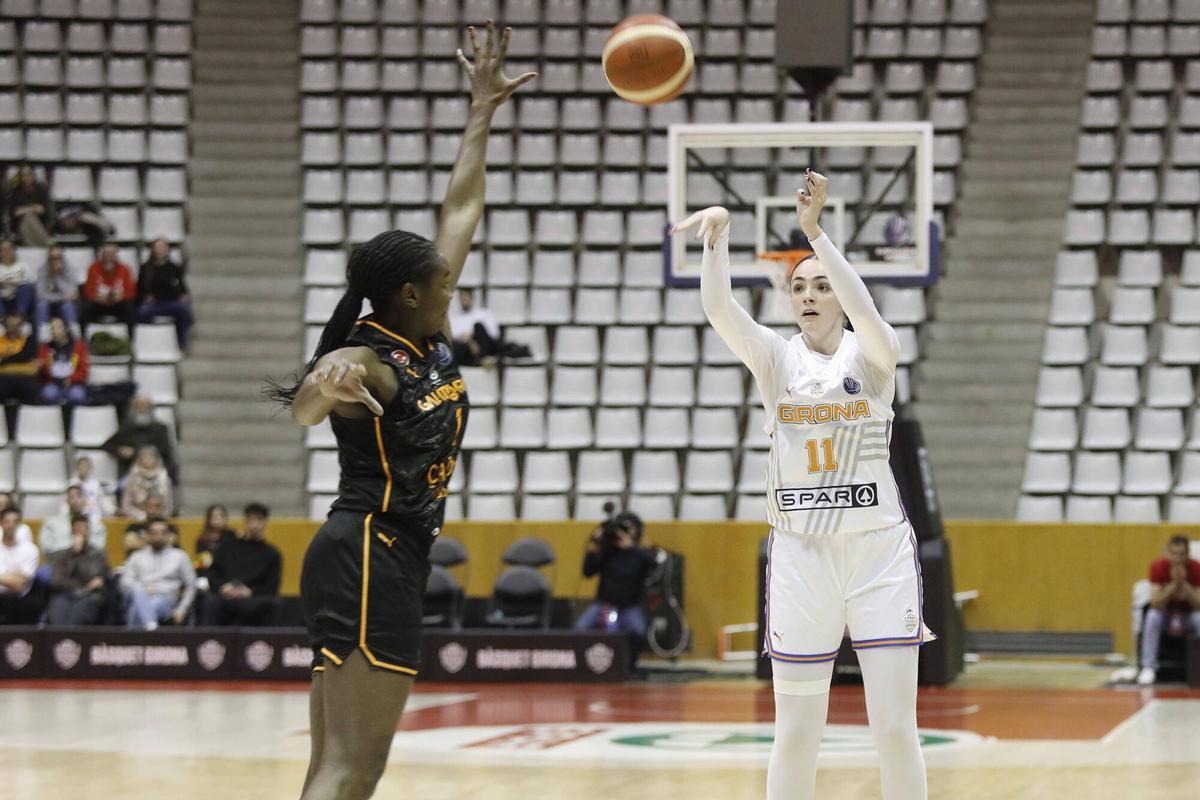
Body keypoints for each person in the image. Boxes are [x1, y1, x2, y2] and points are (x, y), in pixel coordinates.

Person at [265, 21, 533, 800]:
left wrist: (481, 108)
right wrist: (325, 384)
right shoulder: (369, 357)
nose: (456, 285)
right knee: (352, 770)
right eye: (444, 282)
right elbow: (308, 407)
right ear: (410, 293)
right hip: (368, 551)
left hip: (381, 556)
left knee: (334, 767)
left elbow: (464, 202)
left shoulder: (427, 332)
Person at [678, 170, 930, 800]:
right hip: (800, 556)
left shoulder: (874, 355)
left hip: (878, 555)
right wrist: (718, 239)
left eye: (822, 285)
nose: (809, 295)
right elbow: (718, 310)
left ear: (840, 295)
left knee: (895, 730)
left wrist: (815, 234)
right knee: (794, 733)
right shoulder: (775, 358)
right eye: (799, 287)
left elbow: (867, 309)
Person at [574, 507, 658, 655]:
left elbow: (652, 564)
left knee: (638, 631)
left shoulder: (641, 552)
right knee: (580, 628)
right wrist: (593, 548)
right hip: (604, 604)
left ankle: (630, 663)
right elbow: (588, 572)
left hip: (630, 606)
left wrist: (631, 547)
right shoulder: (609, 551)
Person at [199, 502, 282, 627]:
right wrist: (223, 587)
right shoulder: (227, 547)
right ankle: (207, 638)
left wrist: (250, 592)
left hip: (253, 598)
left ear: (265, 522)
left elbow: (272, 586)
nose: (254, 525)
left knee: (273, 604)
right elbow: (213, 573)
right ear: (245, 520)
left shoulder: (272, 554)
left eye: (258, 520)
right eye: (251, 520)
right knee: (210, 602)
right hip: (226, 595)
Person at [1137, 535, 1200, 685]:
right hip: (1166, 615)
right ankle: (1148, 667)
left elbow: (1198, 604)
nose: (1177, 559)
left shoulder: (1196, 568)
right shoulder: (1158, 567)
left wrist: (1183, 583)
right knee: (1152, 616)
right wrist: (1173, 584)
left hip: (1188, 615)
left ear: (1187, 554)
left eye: (1181, 554)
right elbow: (1155, 603)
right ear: (1168, 553)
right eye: (1174, 554)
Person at [118, 516, 195, 630]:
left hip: (166, 599)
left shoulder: (179, 556)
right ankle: (151, 627)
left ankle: (136, 637)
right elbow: (124, 582)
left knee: (137, 609)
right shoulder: (137, 556)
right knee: (137, 590)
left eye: (163, 533)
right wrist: (143, 591)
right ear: (147, 535)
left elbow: (191, 585)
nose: (159, 537)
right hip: (140, 595)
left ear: (168, 535)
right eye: (154, 533)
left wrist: (181, 609)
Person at [45, 515, 110, 625]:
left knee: (79, 612)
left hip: (90, 596)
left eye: (83, 528)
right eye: (77, 529)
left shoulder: (97, 555)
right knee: (57, 610)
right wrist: (74, 554)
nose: (80, 532)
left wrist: (79, 555)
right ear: (72, 531)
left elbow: (96, 578)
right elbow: (57, 581)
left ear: (88, 531)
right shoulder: (62, 555)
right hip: (65, 594)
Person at [102, 393, 177, 483]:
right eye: (139, 407)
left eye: (146, 407)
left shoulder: (161, 429)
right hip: (130, 473)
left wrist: (137, 452)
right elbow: (107, 445)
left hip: (154, 473)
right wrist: (120, 450)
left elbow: (165, 450)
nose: (142, 410)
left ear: (151, 409)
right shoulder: (126, 428)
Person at [137, 238, 193, 349]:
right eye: (157, 247)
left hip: (171, 302)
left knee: (183, 310)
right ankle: (150, 341)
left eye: (162, 247)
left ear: (167, 249)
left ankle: (180, 343)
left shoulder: (174, 267)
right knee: (142, 312)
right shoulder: (146, 268)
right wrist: (145, 296)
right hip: (154, 304)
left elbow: (181, 286)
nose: (160, 250)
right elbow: (140, 289)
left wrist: (185, 295)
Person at [81, 244, 136, 338]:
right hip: (99, 304)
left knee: (130, 308)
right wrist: (98, 298)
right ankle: (83, 338)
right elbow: (88, 291)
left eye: (112, 255)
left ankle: (131, 338)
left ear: (116, 256)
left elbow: (131, 292)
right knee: (85, 307)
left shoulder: (125, 269)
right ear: (102, 256)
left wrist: (121, 297)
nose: (109, 258)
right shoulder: (93, 268)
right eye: (106, 255)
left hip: (118, 304)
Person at [37, 485, 107, 555]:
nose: (75, 500)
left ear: (85, 499)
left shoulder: (96, 526)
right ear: (67, 500)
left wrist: (81, 545)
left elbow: (99, 548)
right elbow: (47, 548)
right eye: (71, 497)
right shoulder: (52, 523)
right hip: (60, 560)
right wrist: (72, 547)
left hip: (88, 560)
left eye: (79, 496)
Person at [0, 506, 42, 624]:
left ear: (19, 525)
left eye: (15, 522)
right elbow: (16, 580)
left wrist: (3, 577)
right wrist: (13, 576)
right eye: (7, 522)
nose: (11, 526)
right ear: (1, 523)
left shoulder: (31, 550)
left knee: (14, 602)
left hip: (20, 600)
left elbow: (20, 585)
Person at [38, 316, 89, 405]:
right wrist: (41, 366)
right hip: (53, 383)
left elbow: (83, 371)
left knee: (77, 395)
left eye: (58, 328)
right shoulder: (45, 347)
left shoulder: (79, 347)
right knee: (48, 393)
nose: (54, 331)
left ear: (66, 330)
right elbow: (43, 371)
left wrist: (70, 380)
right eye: (52, 328)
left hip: (74, 384)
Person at [120, 446, 173, 519]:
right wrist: (140, 515)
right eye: (144, 457)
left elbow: (169, 505)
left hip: (160, 518)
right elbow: (126, 506)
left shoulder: (164, 478)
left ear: (157, 459)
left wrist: (160, 515)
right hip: (137, 518)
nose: (147, 460)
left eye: (151, 457)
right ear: (139, 460)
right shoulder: (132, 478)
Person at [35, 245, 80, 331]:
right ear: (48, 259)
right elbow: (40, 295)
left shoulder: (70, 269)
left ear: (63, 257)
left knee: (68, 306)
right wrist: (63, 297)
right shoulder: (42, 270)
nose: (56, 261)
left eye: (59, 258)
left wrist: (57, 275)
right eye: (53, 258)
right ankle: (42, 335)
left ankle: (74, 334)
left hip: (65, 303)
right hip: (48, 303)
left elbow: (73, 294)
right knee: (41, 305)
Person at [0, 310, 40, 406]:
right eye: (10, 326)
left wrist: (5, 363)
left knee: (32, 387)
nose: (13, 329)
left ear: (21, 326)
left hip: (25, 379)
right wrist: (21, 364)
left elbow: (33, 369)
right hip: (3, 380)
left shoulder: (28, 341)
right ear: (5, 326)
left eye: (16, 326)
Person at [8, 164, 54, 246]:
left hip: (40, 225)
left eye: (29, 174)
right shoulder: (15, 191)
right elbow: (15, 212)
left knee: (30, 217)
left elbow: (43, 210)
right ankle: (47, 243)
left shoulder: (41, 190)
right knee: (28, 217)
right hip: (20, 227)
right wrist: (33, 208)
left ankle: (35, 247)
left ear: (34, 175)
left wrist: (25, 209)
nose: (26, 178)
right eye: (23, 175)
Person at [194, 503, 234, 579]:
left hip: (228, 573)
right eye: (213, 516)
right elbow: (203, 561)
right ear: (208, 519)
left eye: (220, 515)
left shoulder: (232, 536)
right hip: (209, 573)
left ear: (225, 518)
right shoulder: (202, 538)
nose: (217, 518)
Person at [0, 237, 35, 320]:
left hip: (18, 298)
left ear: (14, 250)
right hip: (2, 299)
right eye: (3, 250)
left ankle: (19, 316)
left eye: (9, 249)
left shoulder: (23, 266)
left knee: (27, 287)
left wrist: (12, 282)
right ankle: (1, 318)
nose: (6, 252)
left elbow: (32, 281)